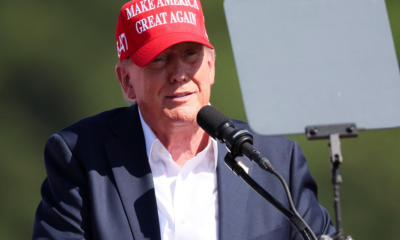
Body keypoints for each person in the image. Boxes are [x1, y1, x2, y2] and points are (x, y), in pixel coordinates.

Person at [32, 0, 336, 239]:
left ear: (212, 67)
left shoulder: (275, 160)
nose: (179, 74)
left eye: (191, 54)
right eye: (159, 59)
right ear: (126, 81)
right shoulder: (80, 156)